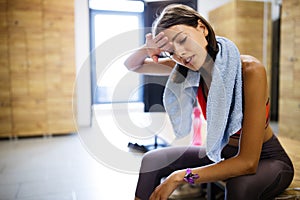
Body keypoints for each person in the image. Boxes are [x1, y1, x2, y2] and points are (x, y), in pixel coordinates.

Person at [124, 4, 294, 200]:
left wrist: (180, 178)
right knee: (152, 160)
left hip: (266, 159)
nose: (180, 54)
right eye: (171, 51)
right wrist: (147, 49)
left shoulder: (250, 70)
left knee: (240, 186)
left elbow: (247, 162)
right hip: (221, 152)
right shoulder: (186, 66)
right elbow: (133, 65)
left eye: (182, 39)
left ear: (202, 28)